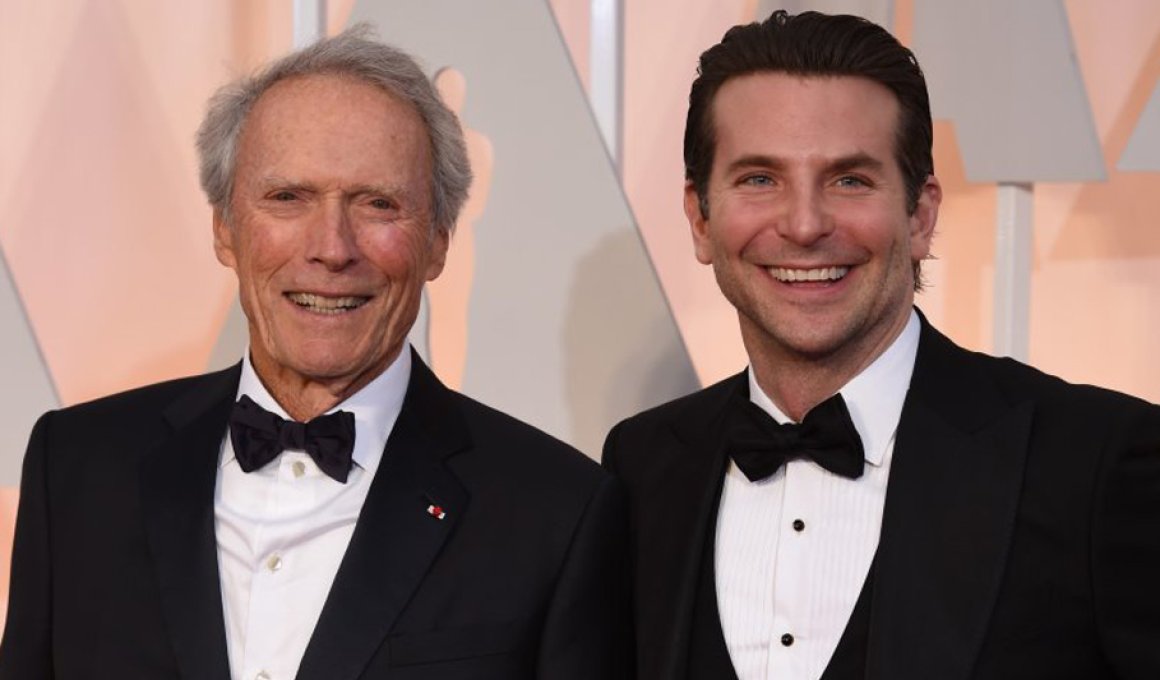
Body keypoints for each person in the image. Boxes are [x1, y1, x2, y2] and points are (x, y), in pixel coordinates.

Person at [0, 27, 629, 680]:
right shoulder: (77, 469)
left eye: (378, 204)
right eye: (288, 198)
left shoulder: (555, 513)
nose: (331, 248)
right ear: (225, 228)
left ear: (439, 242)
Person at [602, 10, 1160, 680]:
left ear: (920, 215)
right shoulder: (642, 466)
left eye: (850, 180)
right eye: (759, 179)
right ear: (699, 218)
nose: (804, 225)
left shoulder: (1097, 462)